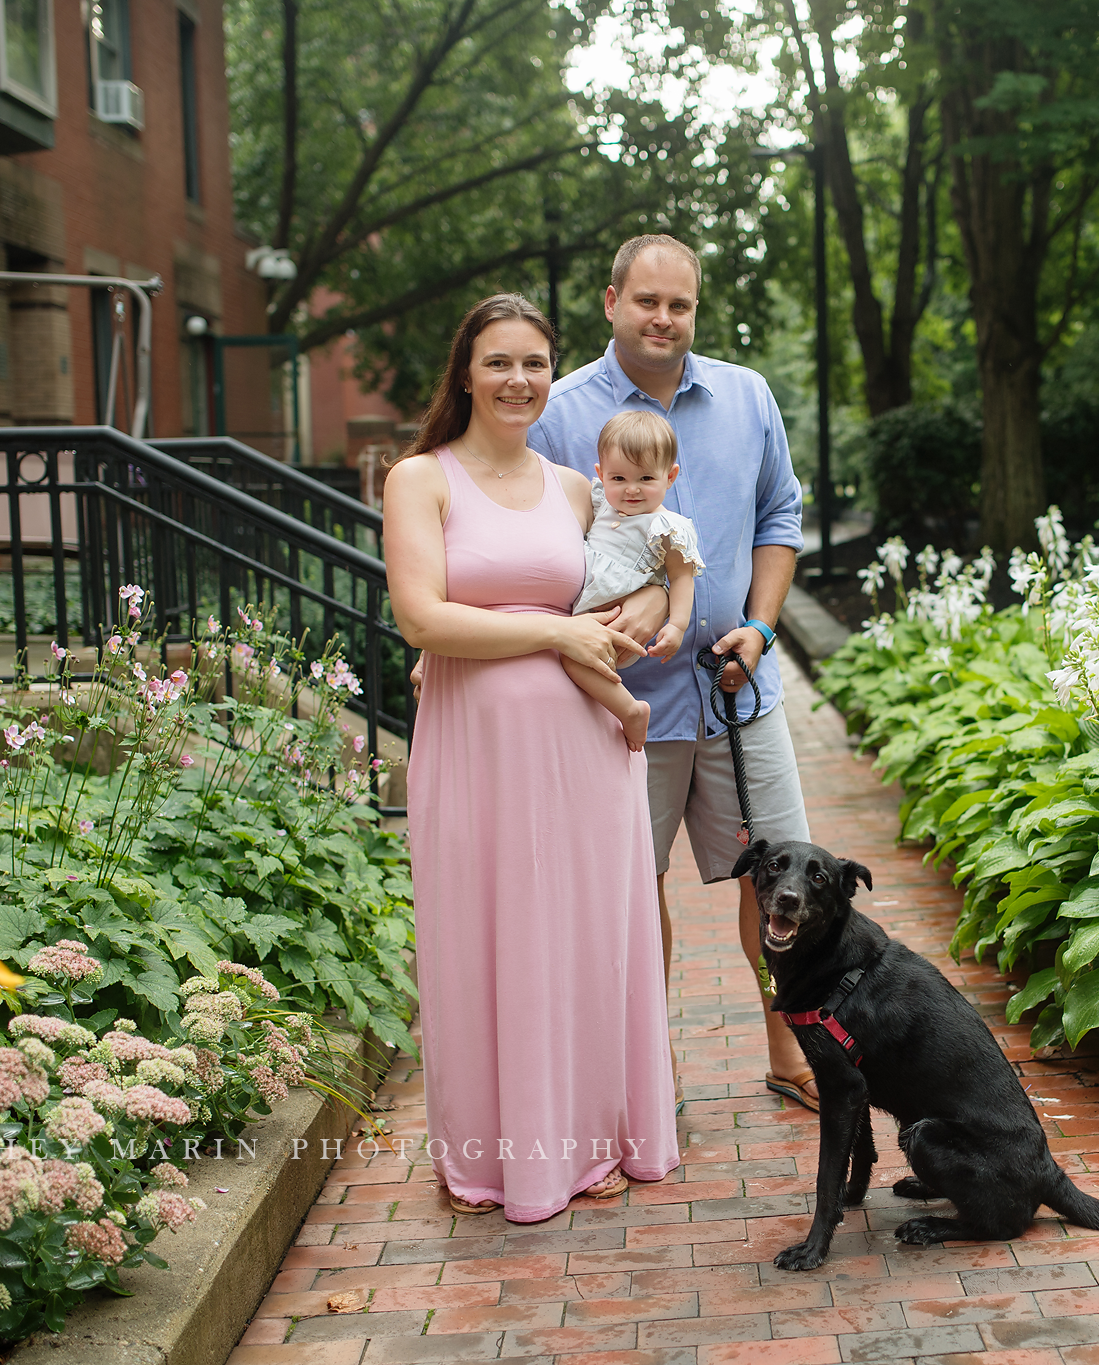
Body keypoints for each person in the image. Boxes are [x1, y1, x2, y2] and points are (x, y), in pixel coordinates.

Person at [381, 292, 679, 1222]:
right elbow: (421, 618)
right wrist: (553, 634)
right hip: (479, 754)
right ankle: (501, 1161)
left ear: (555, 375)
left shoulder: (575, 487)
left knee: (587, 940)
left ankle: (595, 1139)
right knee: (485, 941)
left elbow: (618, 593)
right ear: (465, 372)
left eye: (536, 363)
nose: (519, 380)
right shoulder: (419, 480)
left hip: (585, 754)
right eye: (500, 362)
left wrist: (636, 619)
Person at [528, 234, 822, 1112]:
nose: (664, 318)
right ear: (610, 300)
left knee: (782, 881)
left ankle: (792, 1050)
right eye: (647, 301)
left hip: (741, 693)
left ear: (696, 308)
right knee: (626, 891)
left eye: (680, 304)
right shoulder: (559, 412)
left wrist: (762, 631)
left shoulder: (747, 396)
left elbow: (780, 514)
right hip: (622, 706)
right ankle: (644, 1078)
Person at [562, 410, 704, 752]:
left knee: (570, 658)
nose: (631, 490)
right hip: (588, 615)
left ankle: (630, 710)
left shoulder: (666, 525)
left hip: (619, 619)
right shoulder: (601, 505)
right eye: (619, 479)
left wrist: (678, 625)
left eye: (645, 478)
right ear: (601, 475)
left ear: (670, 477)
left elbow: (682, 577)